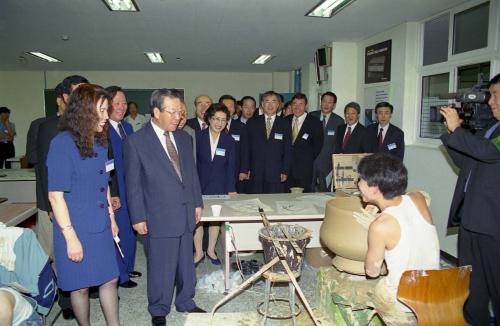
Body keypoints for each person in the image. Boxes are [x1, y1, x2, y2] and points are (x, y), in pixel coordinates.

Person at [124, 88, 205, 326]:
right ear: (156, 111)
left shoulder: (184, 137)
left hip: (185, 210)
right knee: (161, 265)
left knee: (186, 263)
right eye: (172, 112)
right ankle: (159, 309)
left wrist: (197, 202)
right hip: (157, 214)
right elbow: (133, 184)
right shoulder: (136, 142)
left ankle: (186, 301)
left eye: (180, 112)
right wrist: (137, 217)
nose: (178, 117)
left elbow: (192, 175)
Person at [47, 84, 120, 326]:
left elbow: (105, 184)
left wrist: (111, 220)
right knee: (80, 287)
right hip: (74, 226)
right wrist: (70, 238)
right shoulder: (62, 144)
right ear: (84, 111)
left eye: (107, 110)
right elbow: (55, 196)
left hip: (100, 223)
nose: (107, 116)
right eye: (101, 111)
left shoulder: (100, 142)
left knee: (109, 279)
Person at [440, 72, 500, 325]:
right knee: (472, 285)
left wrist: (458, 130)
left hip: (493, 224)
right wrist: (452, 134)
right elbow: (467, 160)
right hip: (472, 218)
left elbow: (486, 153)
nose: (491, 102)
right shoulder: (491, 127)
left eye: (496, 95)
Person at [358, 153, 439, 321]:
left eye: (361, 179)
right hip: (434, 288)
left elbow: (372, 272)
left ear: (375, 189)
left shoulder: (380, 226)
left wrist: (375, 233)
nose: (358, 183)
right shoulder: (418, 198)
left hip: (403, 300)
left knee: (379, 287)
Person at [35, 75, 89, 320]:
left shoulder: (86, 125)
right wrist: (49, 207)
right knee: (59, 253)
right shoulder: (49, 126)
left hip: (80, 202)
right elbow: (46, 170)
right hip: (54, 203)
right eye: (78, 92)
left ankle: (82, 289)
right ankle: (66, 301)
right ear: (65, 97)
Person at [106, 86, 141, 289]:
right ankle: (120, 274)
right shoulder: (102, 129)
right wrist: (113, 193)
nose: (121, 107)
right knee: (117, 232)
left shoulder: (127, 128)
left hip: (131, 188)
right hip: (116, 190)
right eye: (117, 103)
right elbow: (106, 166)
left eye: (124, 103)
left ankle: (128, 266)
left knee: (130, 230)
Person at [194, 103, 236, 266]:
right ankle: (198, 252)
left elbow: (231, 166)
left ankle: (211, 250)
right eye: (216, 119)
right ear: (209, 119)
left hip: (219, 186)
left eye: (223, 120)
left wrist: (231, 189)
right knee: (198, 220)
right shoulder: (197, 136)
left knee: (215, 220)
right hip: (199, 184)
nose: (219, 123)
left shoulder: (228, 140)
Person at [247, 91, 292, 193]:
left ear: (279, 105)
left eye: (274, 102)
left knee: (274, 201)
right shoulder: (252, 122)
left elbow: (288, 150)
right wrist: (246, 169)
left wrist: (285, 170)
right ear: (262, 105)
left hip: (276, 172)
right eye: (267, 101)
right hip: (255, 171)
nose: (270, 105)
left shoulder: (285, 124)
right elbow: (247, 148)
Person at [284, 93, 323, 193]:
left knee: (304, 199)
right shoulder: (285, 121)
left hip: (305, 169)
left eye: (301, 104)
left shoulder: (315, 122)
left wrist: (306, 159)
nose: (297, 107)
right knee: (285, 197)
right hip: (286, 169)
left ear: (306, 106)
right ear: (291, 105)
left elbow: (318, 145)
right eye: (294, 104)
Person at [311, 91, 345, 192]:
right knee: (308, 189)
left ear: (334, 105)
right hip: (311, 162)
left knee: (324, 191)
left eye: (330, 102)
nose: (326, 104)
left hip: (327, 163)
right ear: (320, 102)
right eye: (324, 101)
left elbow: (338, 144)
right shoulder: (311, 116)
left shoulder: (339, 121)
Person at [219, 94, 250, 193]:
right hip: (217, 171)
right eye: (225, 106)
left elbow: (245, 150)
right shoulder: (213, 126)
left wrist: (244, 170)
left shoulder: (241, 127)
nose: (228, 109)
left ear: (235, 109)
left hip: (236, 171)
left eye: (231, 106)